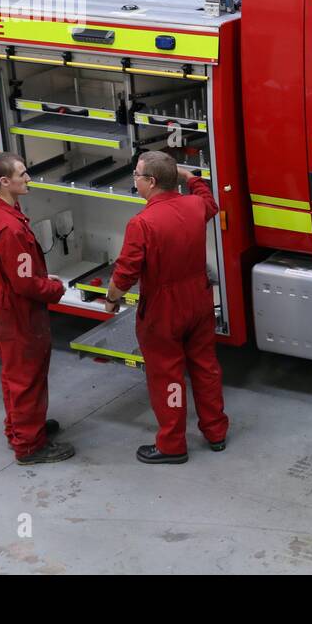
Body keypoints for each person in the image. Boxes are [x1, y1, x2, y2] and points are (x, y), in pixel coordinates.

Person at [106, 151, 228, 463]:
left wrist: (111, 298)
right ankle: (216, 432)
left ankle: (172, 445)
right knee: (206, 368)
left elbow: (126, 272)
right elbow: (210, 202)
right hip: (200, 300)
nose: (135, 180)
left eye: (137, 175)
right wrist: (191, 177)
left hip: (163, 309)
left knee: (167, 375)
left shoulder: (142, 222)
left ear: (151, 182)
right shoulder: (195, 206)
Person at [0, 153, 72, 464]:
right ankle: (30, 446)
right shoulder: (10, 228)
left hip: (3, 303)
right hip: (18, 311)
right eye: (22, 174)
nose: (28, 179)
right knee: (26, 376)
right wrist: (54, 288)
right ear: (5, 181)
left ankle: (21, 428)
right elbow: (25, 284)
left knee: (15, 373)